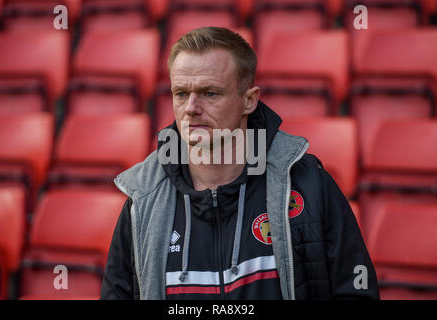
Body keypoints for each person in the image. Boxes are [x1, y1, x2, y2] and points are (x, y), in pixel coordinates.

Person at [100, 26, 379, 300]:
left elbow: (357, 290)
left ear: (249, 101)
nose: (191, 108)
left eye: (210, 93)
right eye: (181, 93)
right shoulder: (142, 200)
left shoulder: (309, 185)